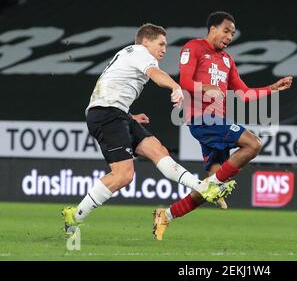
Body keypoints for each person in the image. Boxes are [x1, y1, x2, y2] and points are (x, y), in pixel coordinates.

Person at [62, 23, 236, 234]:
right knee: (123, 175)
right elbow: (155, 74)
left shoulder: (130, 55)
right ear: (146, 41)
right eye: (161, 44)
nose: (164, 49)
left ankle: (203, 187)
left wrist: (128, 116)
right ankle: (76, 215)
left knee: (158, 150)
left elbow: (110, 88)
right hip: (107, 115)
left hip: (114, 113)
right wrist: (175, 87)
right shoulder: (140, 52)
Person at [152, 11, 293, 240]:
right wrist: (207, 88)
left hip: (219, 122)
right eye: (226, 30)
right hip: (202, 119)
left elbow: (244, 93)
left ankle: (166, 215)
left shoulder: (227, 60)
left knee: (210, 188)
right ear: (213, 29)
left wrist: (273, 88)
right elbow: (185, 81)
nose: (229, 36)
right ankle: (216, 183)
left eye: (233, 33)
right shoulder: (194, 47)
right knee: (253, 144)